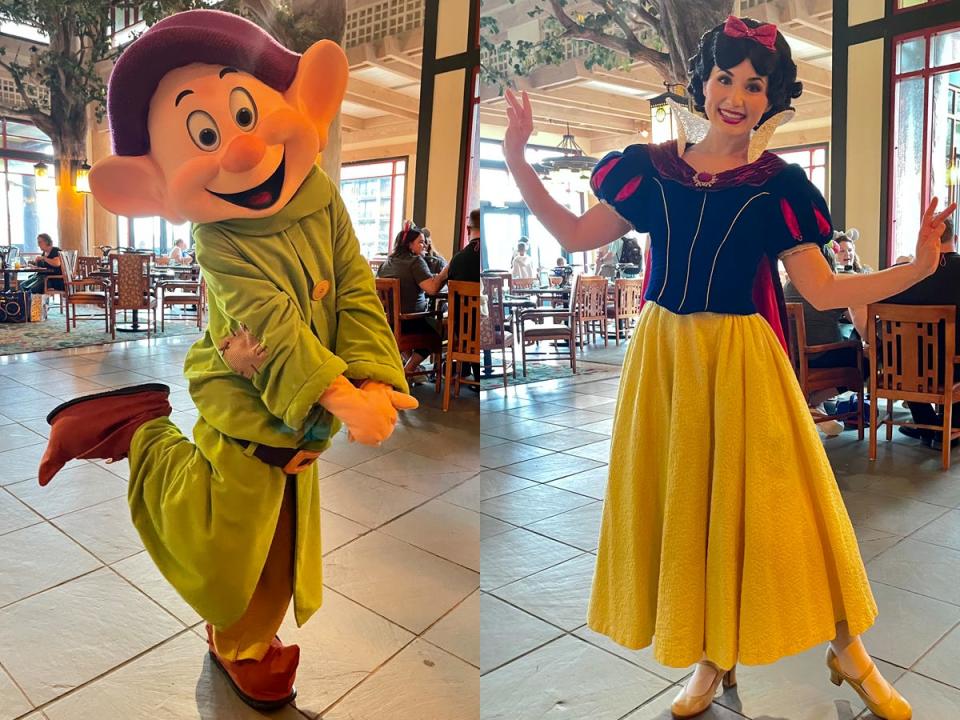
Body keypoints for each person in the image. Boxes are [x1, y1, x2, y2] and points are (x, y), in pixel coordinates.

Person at [503, 15, 954, 720]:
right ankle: (713, 659)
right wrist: (518, 158)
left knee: (790, 509)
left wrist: (916, 268)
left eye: (754, 85)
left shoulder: (781, 186)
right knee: (693, 510)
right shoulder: (652, 170)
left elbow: (824, 290)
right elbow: (572, 234)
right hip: (667, 360)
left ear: (772, 99)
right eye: (724, 78)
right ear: (703, 83)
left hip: (745, 361)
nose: (735, 95)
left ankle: (849, 650)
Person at [38, 11, 417, 711]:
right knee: (226, 558)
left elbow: (355, 284)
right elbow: (267, 324)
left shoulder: (320, 196)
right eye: (204, 136)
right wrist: (339, 395)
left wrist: (372, 375)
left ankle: (242, 636)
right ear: (152, 184)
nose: (240, 153)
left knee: (277, 543)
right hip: (246, 408)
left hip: (302, 418)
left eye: (245, 114)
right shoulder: (218, 241)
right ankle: (140, 435)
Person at [852, 218, 960, 449]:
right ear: (955, 239)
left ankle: (927, 424)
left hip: (904, 374)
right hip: (953, 371)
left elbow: (859, 301)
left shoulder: (903, 275)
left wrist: (872, 340)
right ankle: (950, 428)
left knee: (906, 359)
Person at [783, 242, 857, 436]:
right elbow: (855, 320)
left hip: (793, 358)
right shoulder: (828, 287)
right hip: (820, 355)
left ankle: (812, 405)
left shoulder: (788, 287)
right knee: (861, 358)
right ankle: (811, 402)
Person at [378, 221, 449, 374]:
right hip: (409, 322)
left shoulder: (386, 263)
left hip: (387, 324)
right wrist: (444, 273)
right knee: (441, 329)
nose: (425, 245)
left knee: (423, 325)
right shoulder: (415, 262)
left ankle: (412, 368)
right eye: (421, 242)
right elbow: (432, 288)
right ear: (410, 245)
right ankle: (408, 370)